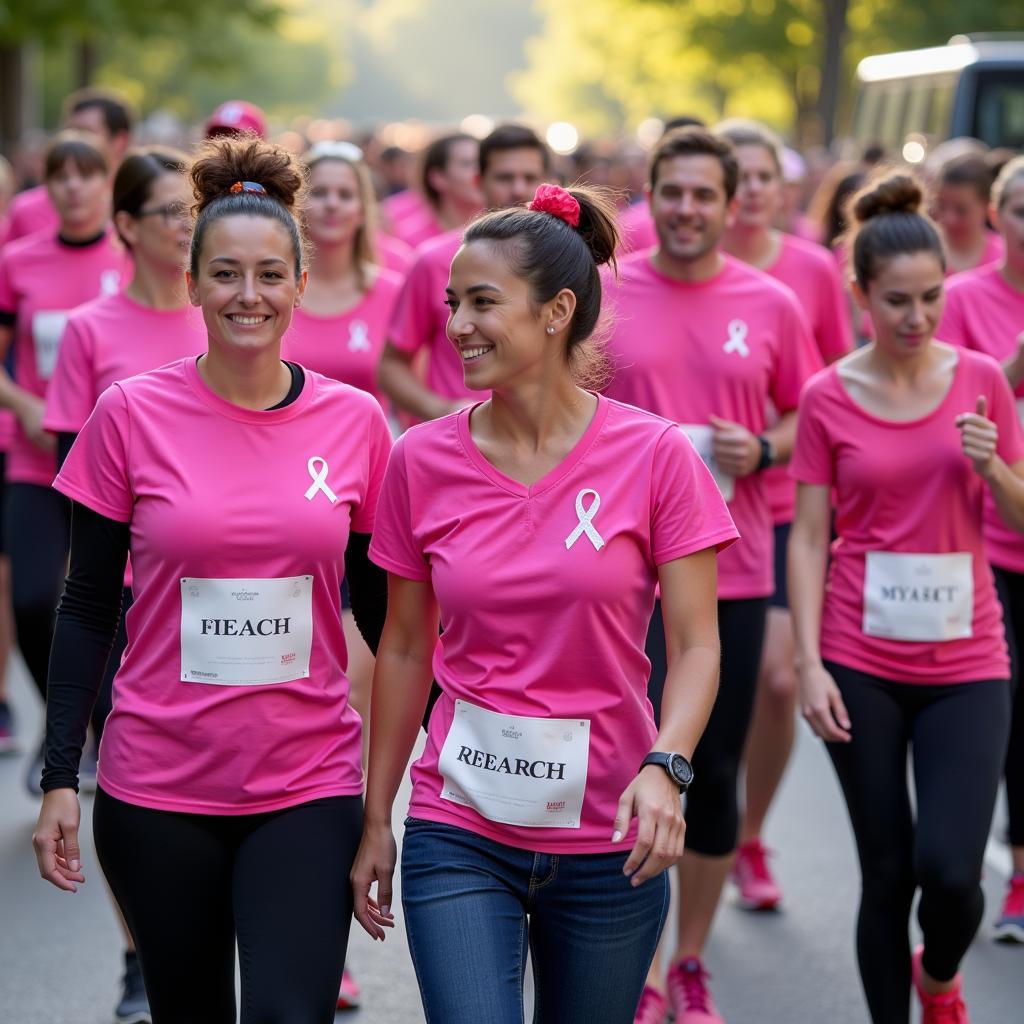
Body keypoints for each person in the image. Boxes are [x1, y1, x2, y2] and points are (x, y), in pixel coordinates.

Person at [350, 183, 738, 1023]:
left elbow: (698, 646)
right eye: (452, 303)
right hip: (460, 832)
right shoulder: (420, 459)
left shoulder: (657, 456)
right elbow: (407, 651)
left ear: (558, 310)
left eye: (483, 303)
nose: (456, 326)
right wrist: (377, 814)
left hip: (609, 837)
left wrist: (667, 766)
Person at [31, 134, 392, 1023]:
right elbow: (85, 607)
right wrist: (58, 777)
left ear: (302, 286)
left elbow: (391, 621)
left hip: (306, 782)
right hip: (157, 784)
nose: (248, 296)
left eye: (271, 275)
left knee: (286, 1014)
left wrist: (398, 790)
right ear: (190, 284)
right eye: (225, 274)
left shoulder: (355, 423)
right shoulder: (129, 414)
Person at [789, 173, 1024, 1024]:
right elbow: (811, 536)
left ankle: (940, 978)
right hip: (862, 659)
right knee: (886, 874)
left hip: (969, 660)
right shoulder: (826, 397)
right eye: (896, 302)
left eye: (931, 298)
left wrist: (992, 462)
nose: (917, 318)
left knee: (953, 874)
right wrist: (811, 664)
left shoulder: (981, 382)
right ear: (859, 295)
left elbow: (1018, 510)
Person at [601, 125, 822, 1024]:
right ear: (651, 197)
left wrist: (760, 445)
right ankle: (637, 967)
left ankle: (687, 960)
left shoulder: (771, 302)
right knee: (626, 761)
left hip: (732, 569)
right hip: (621, 575)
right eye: (673, 192)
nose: (687, 209)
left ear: (733, 206)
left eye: (705, 195)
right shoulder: (605, 292)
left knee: (709, 768)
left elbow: (811, 420)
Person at [40, 144, 197, 1024]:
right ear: (127, 227)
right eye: (167, 211)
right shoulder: (92, 330)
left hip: (218, 597)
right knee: (132, 785)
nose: (184, 225)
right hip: (132, 593)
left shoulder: (225, 311)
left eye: (192, 209)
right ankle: (142, 951)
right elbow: (80, 481)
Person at [716, 119, 852, 912]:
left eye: (765, 174)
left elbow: (831, 393)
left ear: (780, 185)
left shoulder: (808, 271)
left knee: (772, 680)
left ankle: (749, 836)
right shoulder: (667, 266)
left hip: (773, 505)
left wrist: (768, 446)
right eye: (743, 174)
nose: (755, 188)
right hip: (683, 515)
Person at [282, 138, 404, 1011]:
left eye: (341, 193)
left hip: (365, 519)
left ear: (363, 204)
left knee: (351, 715)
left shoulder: (395, 288)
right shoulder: (273, 288)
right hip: (279, 530)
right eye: (314, 193)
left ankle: (326, 916)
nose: (329, 206)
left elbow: (419, 380)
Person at [0, 131, 128, 793]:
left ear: (108, 184)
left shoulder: (129, 260)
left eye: (87, 175)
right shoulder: (18, 261)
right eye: (60, 177)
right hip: (35, 451)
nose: (73, 188)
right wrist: (21, 401)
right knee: (30, 598)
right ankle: (67, 719)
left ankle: (100, 735)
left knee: (104, 600)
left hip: (113, 459)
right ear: (44, 188)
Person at [939, 154, 1024, 944]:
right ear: (998, 218)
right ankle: (1019, 866)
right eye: (1022, 209)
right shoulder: (963, 299)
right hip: (989, 539)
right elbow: (945, 405)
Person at [378, 123, 550, 422]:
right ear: (478, 182)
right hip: (455, 447)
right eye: (504, 177)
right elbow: (391, 366)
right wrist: (441, 412)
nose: (518, 189)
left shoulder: (566, 262)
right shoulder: (435, 261)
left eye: (530, 178)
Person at [1, 89, 134, 246]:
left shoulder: (140, 205)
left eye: (86, 133)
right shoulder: (26, 211)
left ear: (120, 141)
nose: (73, 142)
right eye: (69, 131)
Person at [390, 133, 481, 250]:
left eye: (482, 163)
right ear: (438, 177)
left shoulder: (500, 234)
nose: (479, 173)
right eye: (467, 164)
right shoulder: (408, 242)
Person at [933, 152, 1005, 276]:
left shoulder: (1005, 257)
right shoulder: (923, 252)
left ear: (987, 205)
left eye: (961, 210)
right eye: (941, 206)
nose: (950, 219)